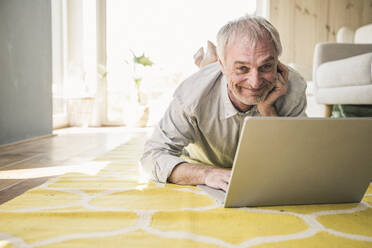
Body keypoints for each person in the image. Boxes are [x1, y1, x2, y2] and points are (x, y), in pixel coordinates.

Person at [140, 15, 307, 191]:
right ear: (222, 65)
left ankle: (210, 62)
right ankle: (207, 63)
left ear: (277, 63)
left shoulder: (292, 87)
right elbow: (151, 157)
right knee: (207, 81)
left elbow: (296, 162)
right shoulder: (191, 95)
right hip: (201, 151)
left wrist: (268, 110)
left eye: (265, 67)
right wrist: (207, 174)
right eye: (242, 68)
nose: (255, 82)